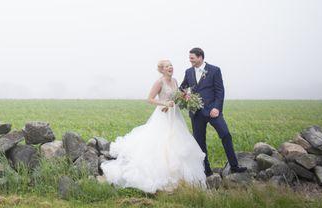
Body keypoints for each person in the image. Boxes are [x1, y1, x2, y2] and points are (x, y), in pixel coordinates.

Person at [100, 60, 206, 193]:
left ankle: (181, 179)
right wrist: (164, 103)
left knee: (178, 142)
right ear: (162, 70)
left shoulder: (175, 81)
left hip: (174, 115)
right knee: (161, 143)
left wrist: (183, 99)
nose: (170, 68)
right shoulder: (159, 82)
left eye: (171, 65)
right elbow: (149, 99)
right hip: (162, 115)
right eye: (167, 66)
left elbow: (176, 96)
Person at [179, 47, 247, 176]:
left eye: (192, 58)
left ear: (200, 57)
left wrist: (217, 108)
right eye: (189, 58)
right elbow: (183, 88)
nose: (190, 61)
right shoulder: (188, 72)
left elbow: (220, 91)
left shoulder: (214, 70)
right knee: (200, 142)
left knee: (226, 135)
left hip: (212, 111)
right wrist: (184, 96)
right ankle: (207, 170)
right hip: (196, 113)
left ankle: (234, 166)